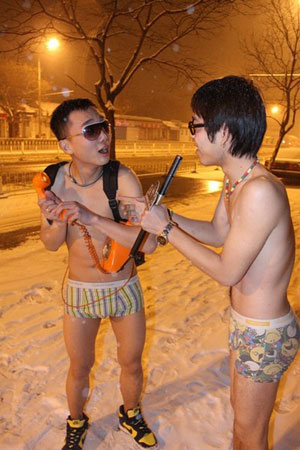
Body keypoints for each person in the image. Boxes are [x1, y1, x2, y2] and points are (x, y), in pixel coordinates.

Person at [119, 76, 300, 450]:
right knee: (241, 421)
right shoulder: (237, 182)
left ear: (226, 131)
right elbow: (219, 233)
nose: (192, 135)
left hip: (264, 332)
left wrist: (166, 228)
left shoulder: (260, 192)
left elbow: (226, 270)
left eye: (196, 126)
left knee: (250, 435)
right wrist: (163, 214)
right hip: (247, 324)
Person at [36, 98, 158, 450]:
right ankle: (76, 420)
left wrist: (92, 218)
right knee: (80, 366)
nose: (103, 136)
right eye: (90, 131)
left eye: (102, 126)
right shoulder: (54, 179)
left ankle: (131, 413)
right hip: (80, 290)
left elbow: (147, 244)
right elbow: (49, 243)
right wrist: (56, 218)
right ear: (65, 144)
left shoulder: (121, 178)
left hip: (124, 285)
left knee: (131, 361)